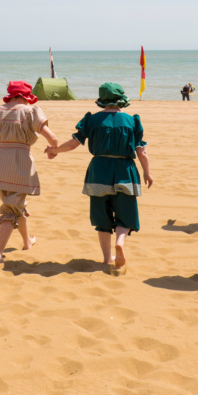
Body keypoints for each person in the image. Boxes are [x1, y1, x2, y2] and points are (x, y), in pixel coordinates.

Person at [46, 83, 153, 275]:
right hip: (124, 170)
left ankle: (106, 258)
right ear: (121, 100)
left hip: (99, 171)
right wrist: (147, 172)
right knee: (125, 213)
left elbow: (73, 144)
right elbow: (141, 152)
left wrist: (55, 150)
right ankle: (120, 243)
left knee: (101, 216)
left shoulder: (92, 120)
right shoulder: (132, 121)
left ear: (102, 100)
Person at [0, 81, 57, 266]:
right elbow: (53, 137)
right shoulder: (31, 112)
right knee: (11, 209)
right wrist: (53, 149)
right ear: (26, 96)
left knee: (15, 204)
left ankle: (27, 241)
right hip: (20, 165)